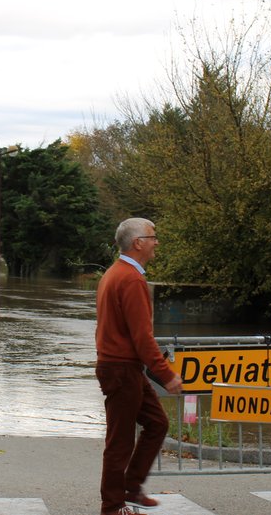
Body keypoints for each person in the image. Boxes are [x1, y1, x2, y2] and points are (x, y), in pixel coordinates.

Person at [94, 218, 184, 515]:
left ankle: (131, 487)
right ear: (138, 243)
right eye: (152, 236)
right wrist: (166, 374)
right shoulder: (131, 279)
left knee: (157, 423)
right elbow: (142, 337)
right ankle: (112, 506)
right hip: (121, 369)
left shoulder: (114, 273)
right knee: (119, 441)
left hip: (121, 367)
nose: (157, 242)